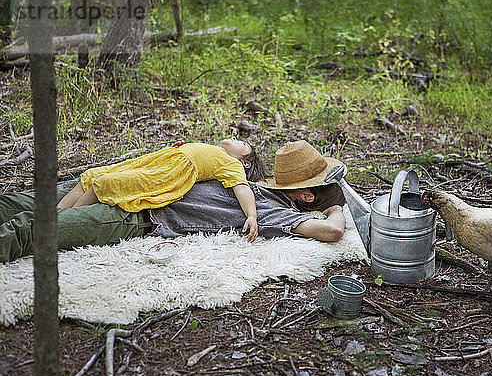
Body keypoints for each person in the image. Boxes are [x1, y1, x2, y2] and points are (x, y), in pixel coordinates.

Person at [0, 140, 347, 263]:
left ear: (305, 196)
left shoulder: (273, 211)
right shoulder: (247, 179)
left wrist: (336, 209)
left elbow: (331, 232)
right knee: (21, 201)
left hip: (136, 213)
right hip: (128, 182)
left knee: (32, 228)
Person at [57, 138, 266, 242]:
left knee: (107, 183)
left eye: (240, 142)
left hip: (171, 173)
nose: (234, 137)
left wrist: (252, 214)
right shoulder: (215, 150)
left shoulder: (232, 164)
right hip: (161, 161)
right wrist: (179, 148)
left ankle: (65, 221)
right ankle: (57, 213)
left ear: (245, 162)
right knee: (94, 176)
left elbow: (242, 188)